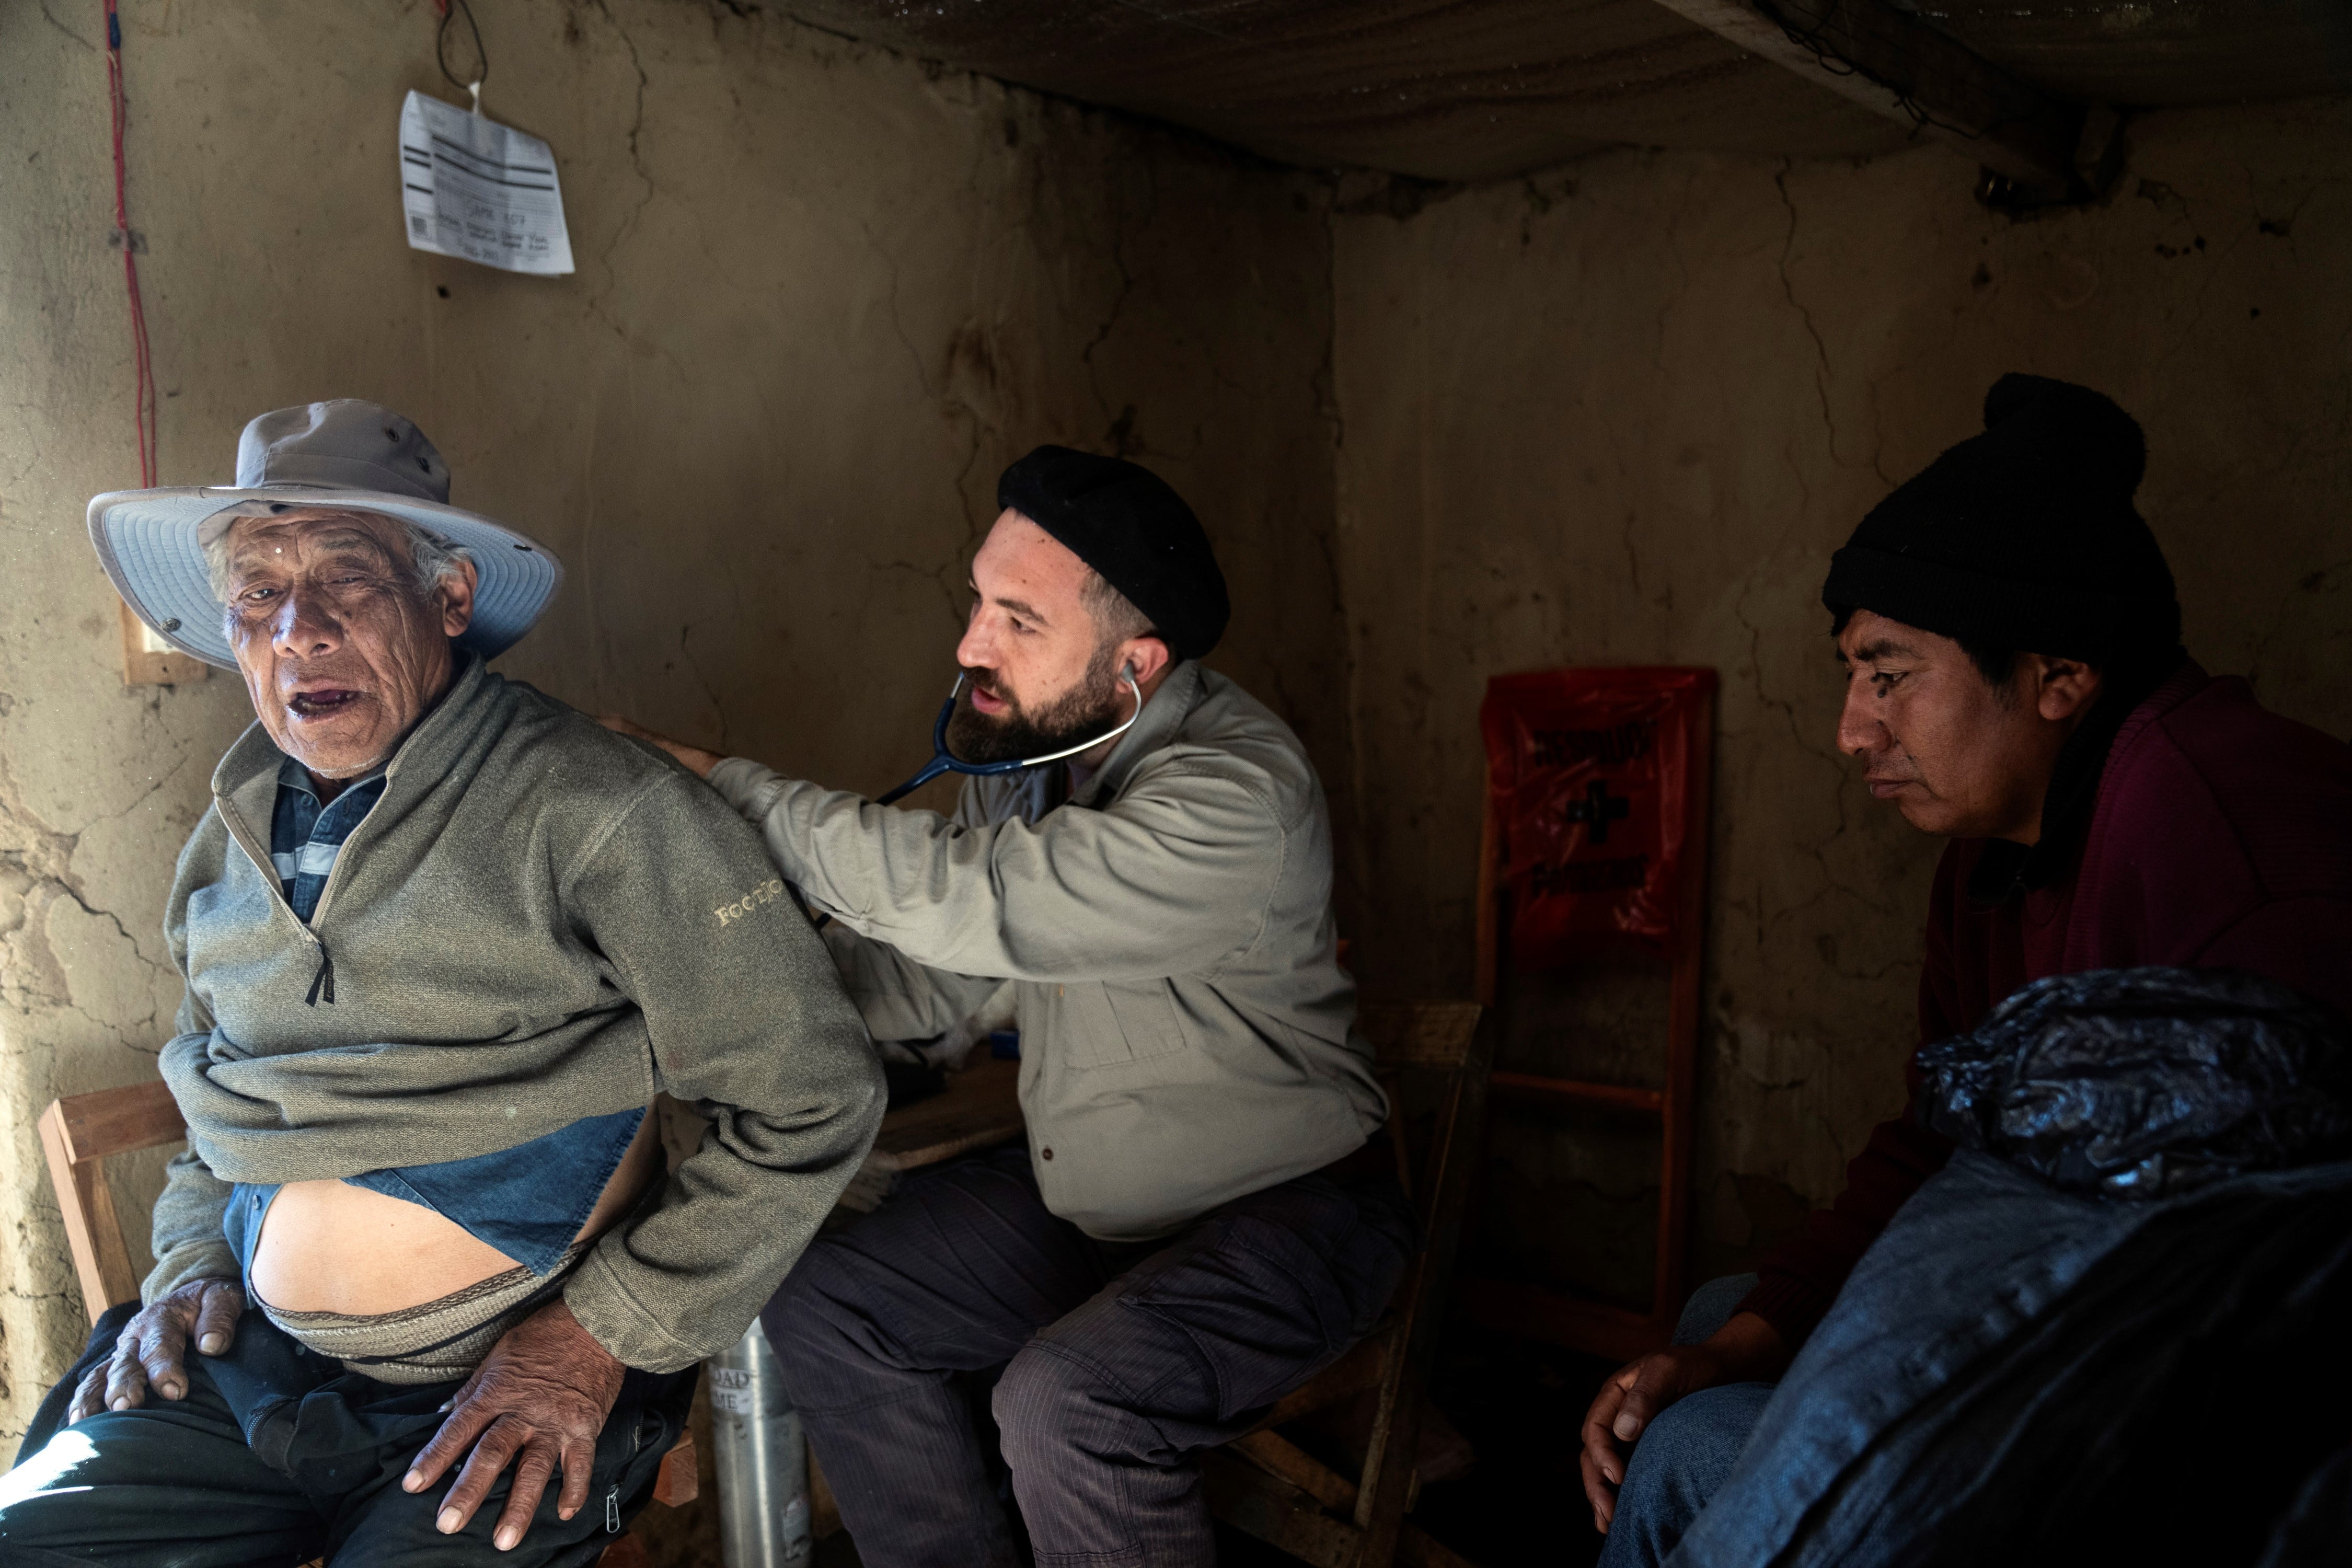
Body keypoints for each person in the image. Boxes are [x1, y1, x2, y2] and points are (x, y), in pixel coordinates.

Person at [0, 401, 883, 1566]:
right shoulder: (226, 846)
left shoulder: (597, 810)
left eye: (346, 580)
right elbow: (212, 1105)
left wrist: (602, 1334)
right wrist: (191, 1269)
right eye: (258, 591)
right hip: (252, 1367)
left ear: (451, 600)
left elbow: (811, 1095)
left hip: (525, 1378)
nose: (297, 630)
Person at [1577, 374, 2352, 1566]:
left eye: (1889, 674)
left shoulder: (2228, 837)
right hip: (2095, 1321)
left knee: (1688, 1451)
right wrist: (1741, 1348)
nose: (1852, 729)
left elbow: (2254, 1311)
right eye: (1852, 675)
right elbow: (1940, 1142)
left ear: (2060, 677)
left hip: (2224, 1409)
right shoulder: (1996, 850)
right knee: (1710, 1327)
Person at [608, 446, 1409, 1568]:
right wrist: (717, 1014)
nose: (971, 645)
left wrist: (726, 790)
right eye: (978, 601)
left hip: (1289, 1222)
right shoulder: (1050, 766)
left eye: (1019, 621)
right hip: (1110, 1219)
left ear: (1135, 665)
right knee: (828, 1294)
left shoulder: (1237, 797)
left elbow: (974, 900)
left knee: (1065, 1403)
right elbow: (933, 979)